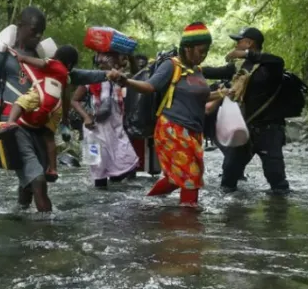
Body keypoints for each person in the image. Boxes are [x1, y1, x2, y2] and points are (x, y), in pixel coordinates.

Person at [0, 7, 109, 213]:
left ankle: (18, 218)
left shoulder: (45, 60)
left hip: (39, 126)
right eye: (34, 30)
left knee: (28, 184)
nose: (38, 36)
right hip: (14, 126)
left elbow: (76, 76)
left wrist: (108, 75)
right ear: (20, 27)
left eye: (42, 31)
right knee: (38, 179)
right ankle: (45, 236)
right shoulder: (2, 56)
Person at [111, 22, 226, 207]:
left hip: (194, 131)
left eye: (206, 51)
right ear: (187, 48)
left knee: (176, 178)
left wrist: (222, 94)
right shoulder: (171, 66)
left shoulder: (198, 71)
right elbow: (150, 86)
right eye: (200, 51)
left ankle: (146, 204)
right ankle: (189, 225)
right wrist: (127, 81)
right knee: (191, 176)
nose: (203, 56)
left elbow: (200, 97)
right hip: (172, 129)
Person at [202, 27, 290, 194]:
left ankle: (279, 215)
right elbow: (213, 71)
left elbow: (277, 60)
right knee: (228, 178)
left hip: (269, 131)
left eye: (239, 41)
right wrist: (191, 67)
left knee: (277, 181)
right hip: (244, 129)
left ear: (249, 43)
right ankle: (232, 214)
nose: (236, 44)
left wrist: (246, 54)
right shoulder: (240, 66)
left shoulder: (270, 67)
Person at [7, 45, 80, 182]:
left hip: (41, 96)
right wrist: (65, 118)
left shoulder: (53, 64)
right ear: (70, 64)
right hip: (55, 107)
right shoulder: (66, 77)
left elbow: (40, 63)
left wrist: (23, 58)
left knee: (20, 102)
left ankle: (10, 122)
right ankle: (53, 168)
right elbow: (66, 98)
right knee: (49, 137)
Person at [72, 52, 138, 188]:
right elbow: (74, 100)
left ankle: (116, 201)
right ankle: (101, 203)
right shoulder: (90, 78)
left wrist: (130, 56)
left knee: (125, 166)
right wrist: (85, 117)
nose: (103, 63)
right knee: (98, 171)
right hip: (93, 130)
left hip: (115, 130)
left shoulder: (120, 78)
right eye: (100, 61)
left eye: (107, 60)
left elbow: (137, 76)